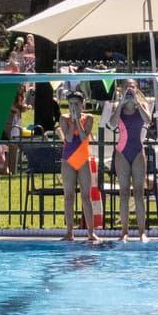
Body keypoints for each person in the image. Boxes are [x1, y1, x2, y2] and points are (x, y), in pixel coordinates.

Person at [112, 81, 152, 242]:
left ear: (137, 90)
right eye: (127, 87)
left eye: (133, 87)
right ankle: (124, 231)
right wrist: (120, 104)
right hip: (122, 152)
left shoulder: (142, 104)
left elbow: (148, 120)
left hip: (137, 151)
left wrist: (136, 102)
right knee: (123, 193)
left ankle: (142, 231)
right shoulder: (118, 107)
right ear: (122, 90)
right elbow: (112, 123)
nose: (130, 90)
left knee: (138, 193)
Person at [60, 92, 99, 244]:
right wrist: (72, 121)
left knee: (86, 196)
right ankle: (69, 232)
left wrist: (77, 120)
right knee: (69, 196)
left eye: (76, 104)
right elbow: (69, 138)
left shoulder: (89, 118)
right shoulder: (64, 118)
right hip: (68, 159)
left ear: (82, 105)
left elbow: (83, 137)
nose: (73, 107)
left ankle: (91, 232)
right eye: (70, 104)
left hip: (83, 159)